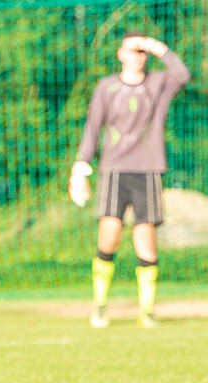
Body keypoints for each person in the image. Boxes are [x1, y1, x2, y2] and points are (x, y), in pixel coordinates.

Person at [69, 31, 191, 328]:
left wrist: (156, 46)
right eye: (132, 50)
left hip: (148, 170)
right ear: (120, 54)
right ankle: (100, 305)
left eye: (142, 52)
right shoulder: (107, 87)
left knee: (145, 242)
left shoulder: (157, 83)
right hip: (114, 170)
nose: (137, 56)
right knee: (109, 236)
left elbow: (183, 75)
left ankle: (146, 310)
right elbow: (93, 126)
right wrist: (81, 166)